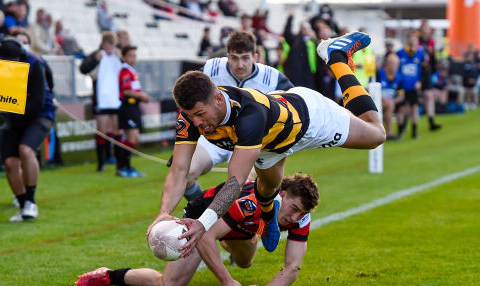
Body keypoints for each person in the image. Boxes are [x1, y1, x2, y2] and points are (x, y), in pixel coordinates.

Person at [148, 32, 385, 263]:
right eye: (191, 116)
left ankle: (336, 57)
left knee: (376, 134)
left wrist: (203, 223)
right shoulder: (190, 118)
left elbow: (235, 182)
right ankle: (269, 215)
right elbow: (179, 170)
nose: (196, 123)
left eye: (200, 114)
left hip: (310, 120)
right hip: (270, 143)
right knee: (268, 185)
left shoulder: (250, 115)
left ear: (219, 99)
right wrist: (163, 212)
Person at [77, 174, 319, 286]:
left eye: (302, 213)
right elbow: (204, 235)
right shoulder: (249, 202)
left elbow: (293, 267)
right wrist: (225, 281)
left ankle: (226, 239)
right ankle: (108, 275)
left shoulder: (300, 217)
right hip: (200, 221)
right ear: (283, 194)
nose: (295, 218)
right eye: (294, 209)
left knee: (245, 263)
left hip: (236, 227)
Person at [179, 31, 293, 202]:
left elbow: (292, 106)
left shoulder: (272, 77)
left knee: (242, 185)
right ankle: (199, 206)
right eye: (234, 58)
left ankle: (233, 223)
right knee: (185, 173)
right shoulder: (212, 68)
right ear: (227, 57)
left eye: (245, 58)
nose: (240, 64)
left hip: (250, 142)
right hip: (215, 136)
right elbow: (189, 100)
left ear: (255, 56)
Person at [0, 38, 55, 222]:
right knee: (11, 163)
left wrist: (8, 111)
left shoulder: (35, 65)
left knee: (26, 150)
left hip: (39, 115)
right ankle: (23, 205)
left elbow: (36, 103)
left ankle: (31, 200)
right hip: (13, 117)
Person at [80, 32, 123, 172]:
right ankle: (101, 163)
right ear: (103, 44)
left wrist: (121, 58)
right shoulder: (97, 55)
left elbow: (128, 67)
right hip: (101, 99)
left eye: (113, 46)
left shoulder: (118, 55)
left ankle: (118, 162)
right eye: (108, 46)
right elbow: (83, 68)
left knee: (116, 129)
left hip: (116, 98)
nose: (110, 49)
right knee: (102, 130)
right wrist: (95, 59)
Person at [116, 45, 151, 177]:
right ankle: (123, 167)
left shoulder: (130, 71)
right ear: (123, 57)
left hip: (133, 107)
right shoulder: (125, 71)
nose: (133, 58)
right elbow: (125, 91)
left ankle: (125, 167)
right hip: (128, 107)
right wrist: (141, 95)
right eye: (130, 55)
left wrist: (141, 96)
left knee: (132, 138)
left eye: (134, 55)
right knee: (132, 137)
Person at [396, 30, 425, 139]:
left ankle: (414, 131)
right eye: (411, 38)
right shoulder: (400, 52)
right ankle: (400, 130)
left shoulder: (420, 53)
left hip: (414, 86)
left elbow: (424, 69)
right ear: (408, 39)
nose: (412, 40)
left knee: (414, 108)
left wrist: (420, 81)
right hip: (402, 85)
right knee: (401, 108)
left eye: (415, 38)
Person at [377, 53, 403, 139]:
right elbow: (371, 89)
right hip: (376, 100)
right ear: (388, 64)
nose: (396, 67)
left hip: (390, 103)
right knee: (389, 104)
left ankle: (390, 132)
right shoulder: (379, 73)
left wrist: (393, 101)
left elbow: (401, 96)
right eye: (395, 64)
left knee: (391, 104)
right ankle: (388, 133)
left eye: (397, 64)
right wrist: (381, 98)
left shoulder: (399, 77)